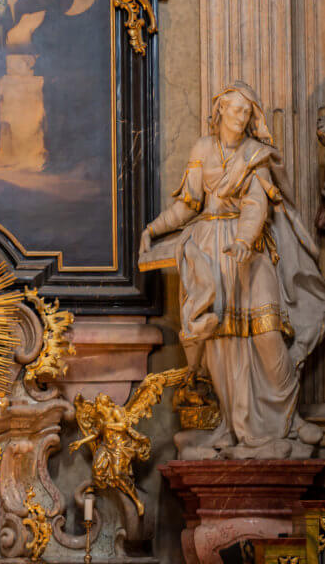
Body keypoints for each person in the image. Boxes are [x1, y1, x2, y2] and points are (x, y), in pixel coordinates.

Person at [139, 81, 325, 457]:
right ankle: (236, 423)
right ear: (220, 109)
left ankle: (288, 420)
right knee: (221, 343)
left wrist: (243, 240)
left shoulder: (256, 155)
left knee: (268, 332)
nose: (240, 117)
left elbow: (257, 204)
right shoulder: (202, 149)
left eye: (246, 111)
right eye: (235, 109)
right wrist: (153, 229)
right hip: (210, 251)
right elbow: (189, 204)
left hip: (250, 251)